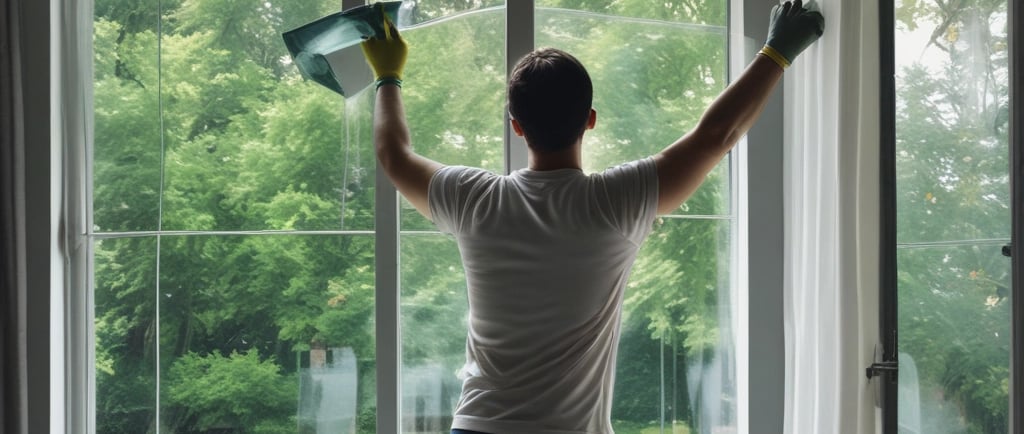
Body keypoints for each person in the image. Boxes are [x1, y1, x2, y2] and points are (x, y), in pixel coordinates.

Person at [361, 2, 823, 433]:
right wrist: (776, 52)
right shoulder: (617, 202)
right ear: (591, 120)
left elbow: (392, 154)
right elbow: (717, 135)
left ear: (516, 125)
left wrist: (387, 74)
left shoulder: (475, 199)